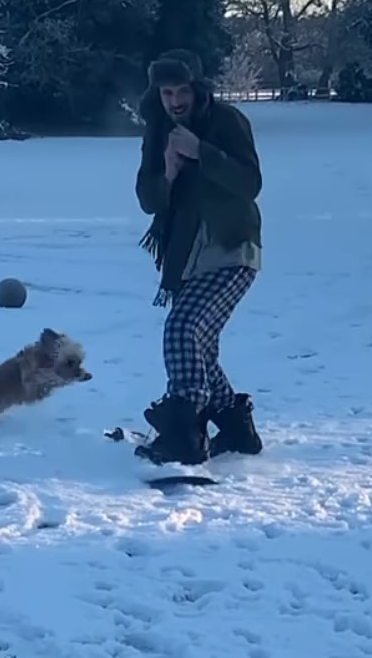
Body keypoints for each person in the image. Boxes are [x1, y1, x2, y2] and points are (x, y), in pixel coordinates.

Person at [134, 49, 264, 466]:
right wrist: (169, 170)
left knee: (182, 328)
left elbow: (250, 183)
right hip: (185, 254)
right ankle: (235, 428)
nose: (175, 101)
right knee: (199, 347)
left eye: (182, 91)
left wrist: (201, 151)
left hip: (232, 247)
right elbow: (148, 200)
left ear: (197, 89)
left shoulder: (227, 121)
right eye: (167, 92)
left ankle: (183, 433)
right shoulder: (157, 130)